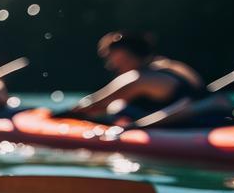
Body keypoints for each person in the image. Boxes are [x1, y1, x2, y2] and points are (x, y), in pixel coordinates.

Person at [72, 32, 215, 124]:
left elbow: (92, 105)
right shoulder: (172, 65)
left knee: (117, 107)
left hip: (190, 124)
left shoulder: (137, 78)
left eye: (110, 57)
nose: (109, 65)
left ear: (125, 55)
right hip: (210, 117)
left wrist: (67, 115)